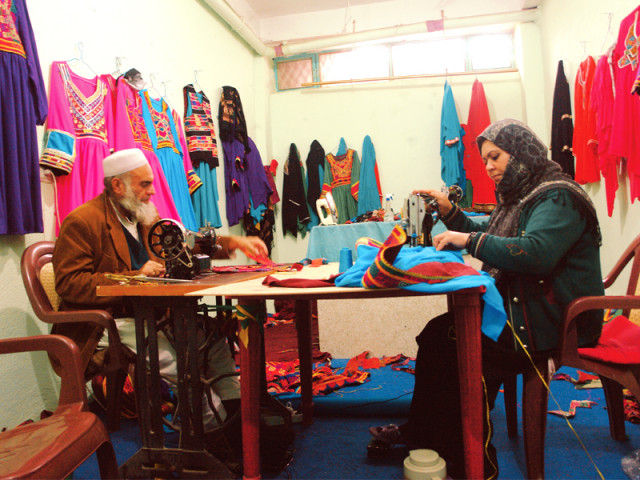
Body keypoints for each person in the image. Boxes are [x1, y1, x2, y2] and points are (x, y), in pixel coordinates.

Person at [368, 119, 604, 479]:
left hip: (553, 320)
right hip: (526, 309)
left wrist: (468, 241)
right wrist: (451, 214)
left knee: (460, 345)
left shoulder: (559, 197)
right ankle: (425, 433)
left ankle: (474, 464)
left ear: (522, 153)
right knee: (437, 335)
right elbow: (493, 232)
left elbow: (536, 253)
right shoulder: (524, 196)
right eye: (485, 160)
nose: (489, 167)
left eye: (496, 157)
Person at [52, 148, 268, 441]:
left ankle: (236, 415)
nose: (152, 191)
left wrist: (235, 243)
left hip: (148, 314)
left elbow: (183, 242)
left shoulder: (142, 215)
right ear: (117, 185)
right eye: (145, 184)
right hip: (105, 322)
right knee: (177, 363)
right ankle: (214, 435)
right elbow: (69, 284)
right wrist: (136, 276)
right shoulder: (82, 221)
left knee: (213, 339)